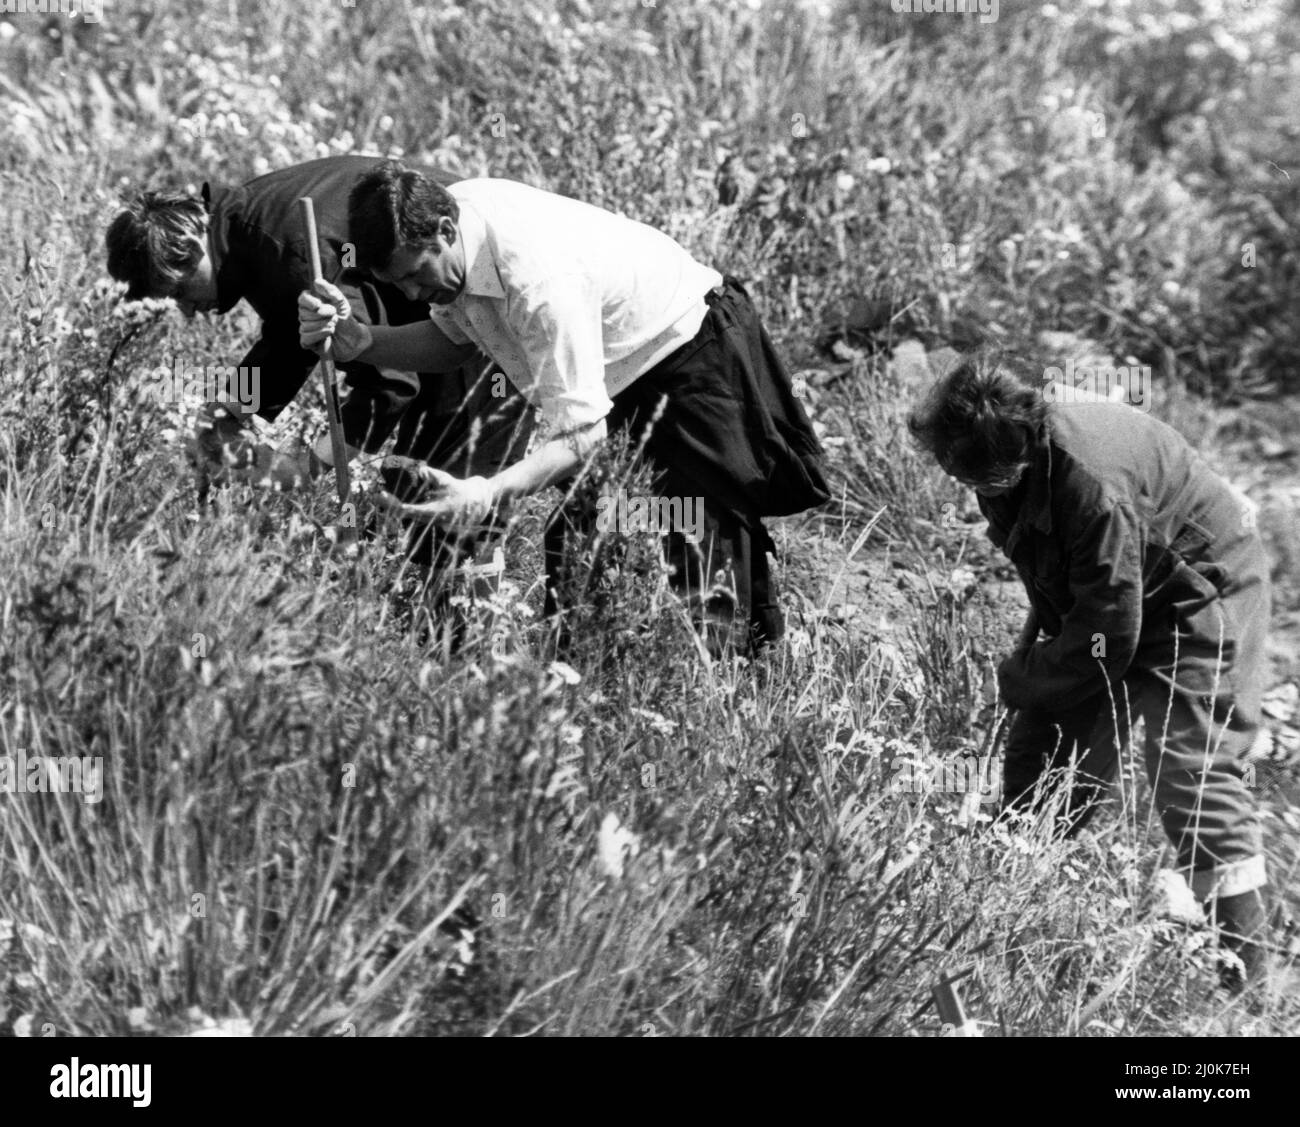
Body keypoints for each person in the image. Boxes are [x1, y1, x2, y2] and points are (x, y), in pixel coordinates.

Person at [298, 162, 828, 652]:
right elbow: (453, 340)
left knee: (696, 532)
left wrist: (487, 491)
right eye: (399, 284)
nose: (414, 293)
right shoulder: (456, 242)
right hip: (620, 370)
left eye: (417, 273)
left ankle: (737, 679)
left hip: (692, 353)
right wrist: (365, 342)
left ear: (444, 229)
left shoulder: (539, 284)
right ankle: (576, 677)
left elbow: (582, 436)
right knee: (584, 529)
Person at [908, 352, 1285, 994]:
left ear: (1019, 453)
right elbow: (1072, 596)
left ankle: (1249, 989)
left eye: (975, 477)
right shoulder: (1000, 440)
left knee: (1191, 774)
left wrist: (1028, 674)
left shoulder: (1092, 483)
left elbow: (1109, 634)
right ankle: (1002, 919)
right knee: (1051, 738)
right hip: (1128, 587)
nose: (961, 483)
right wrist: (1039, 678)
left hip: (1203, 589)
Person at [106, 154, 533, 603]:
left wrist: (307, 468)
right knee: (407, 516)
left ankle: (477, 643)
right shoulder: (247, 223)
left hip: (483, 304)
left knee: (439, 518)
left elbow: (390, 382)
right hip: (438, 309)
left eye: (178, 292)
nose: (188, 310)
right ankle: (437, 621)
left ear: (193, 246)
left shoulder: (283, 247)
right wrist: (232, 409)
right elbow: (296, 331)